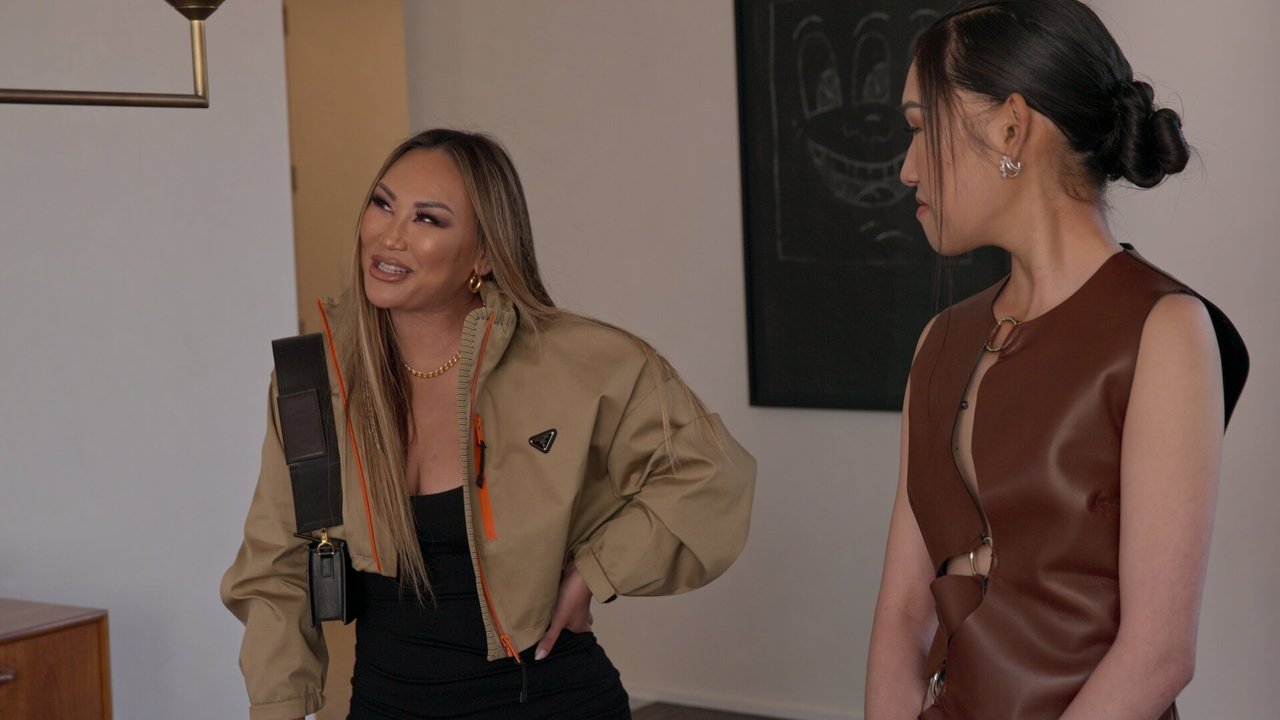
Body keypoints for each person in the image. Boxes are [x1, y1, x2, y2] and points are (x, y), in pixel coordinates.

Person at [221, 128, 756, 720]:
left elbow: (711, 475)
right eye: (382, 204)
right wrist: (279, 709)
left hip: (553, 704)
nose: (389, 236)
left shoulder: (583, 363)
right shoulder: (312, 380)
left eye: (428, 218)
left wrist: (596, 570)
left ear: (483, 255)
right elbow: (276, 571)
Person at [865, 1, 1249, 718]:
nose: (907, 169)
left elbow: (1159, 652)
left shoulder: (1165, 330)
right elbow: (902, 611)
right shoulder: (940, 340)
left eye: (921, 127)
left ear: (1010, 126)